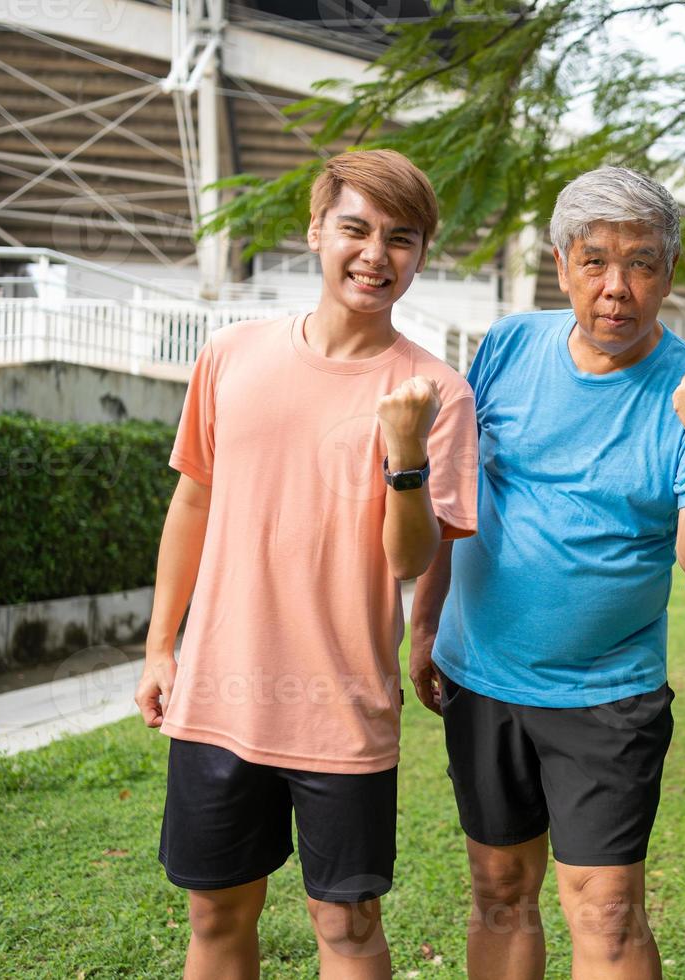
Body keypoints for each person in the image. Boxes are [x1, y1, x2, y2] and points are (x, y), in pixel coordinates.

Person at [133, 149, 479, 980]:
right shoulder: (231, 354)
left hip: (341, 704)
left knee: (349, 926)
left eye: (401, 238)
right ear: (315, 231)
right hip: (220, 692)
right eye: (356, 229)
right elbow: (194, 502)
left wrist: (404, 453)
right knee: (215, 913)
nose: (375, 254)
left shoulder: (438, 393)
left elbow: (413, 559)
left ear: (421, 256)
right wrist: (158, 645)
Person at [407, 166, 685, 979]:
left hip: (606, 697)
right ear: (561, 266)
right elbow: (460, 496)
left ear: (668, 272)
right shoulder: (509, 346)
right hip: (480, 675)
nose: (616, 288)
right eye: (594, 261)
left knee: (606, 913)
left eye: (641, 263)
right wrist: (425, 622)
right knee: (498, 888)